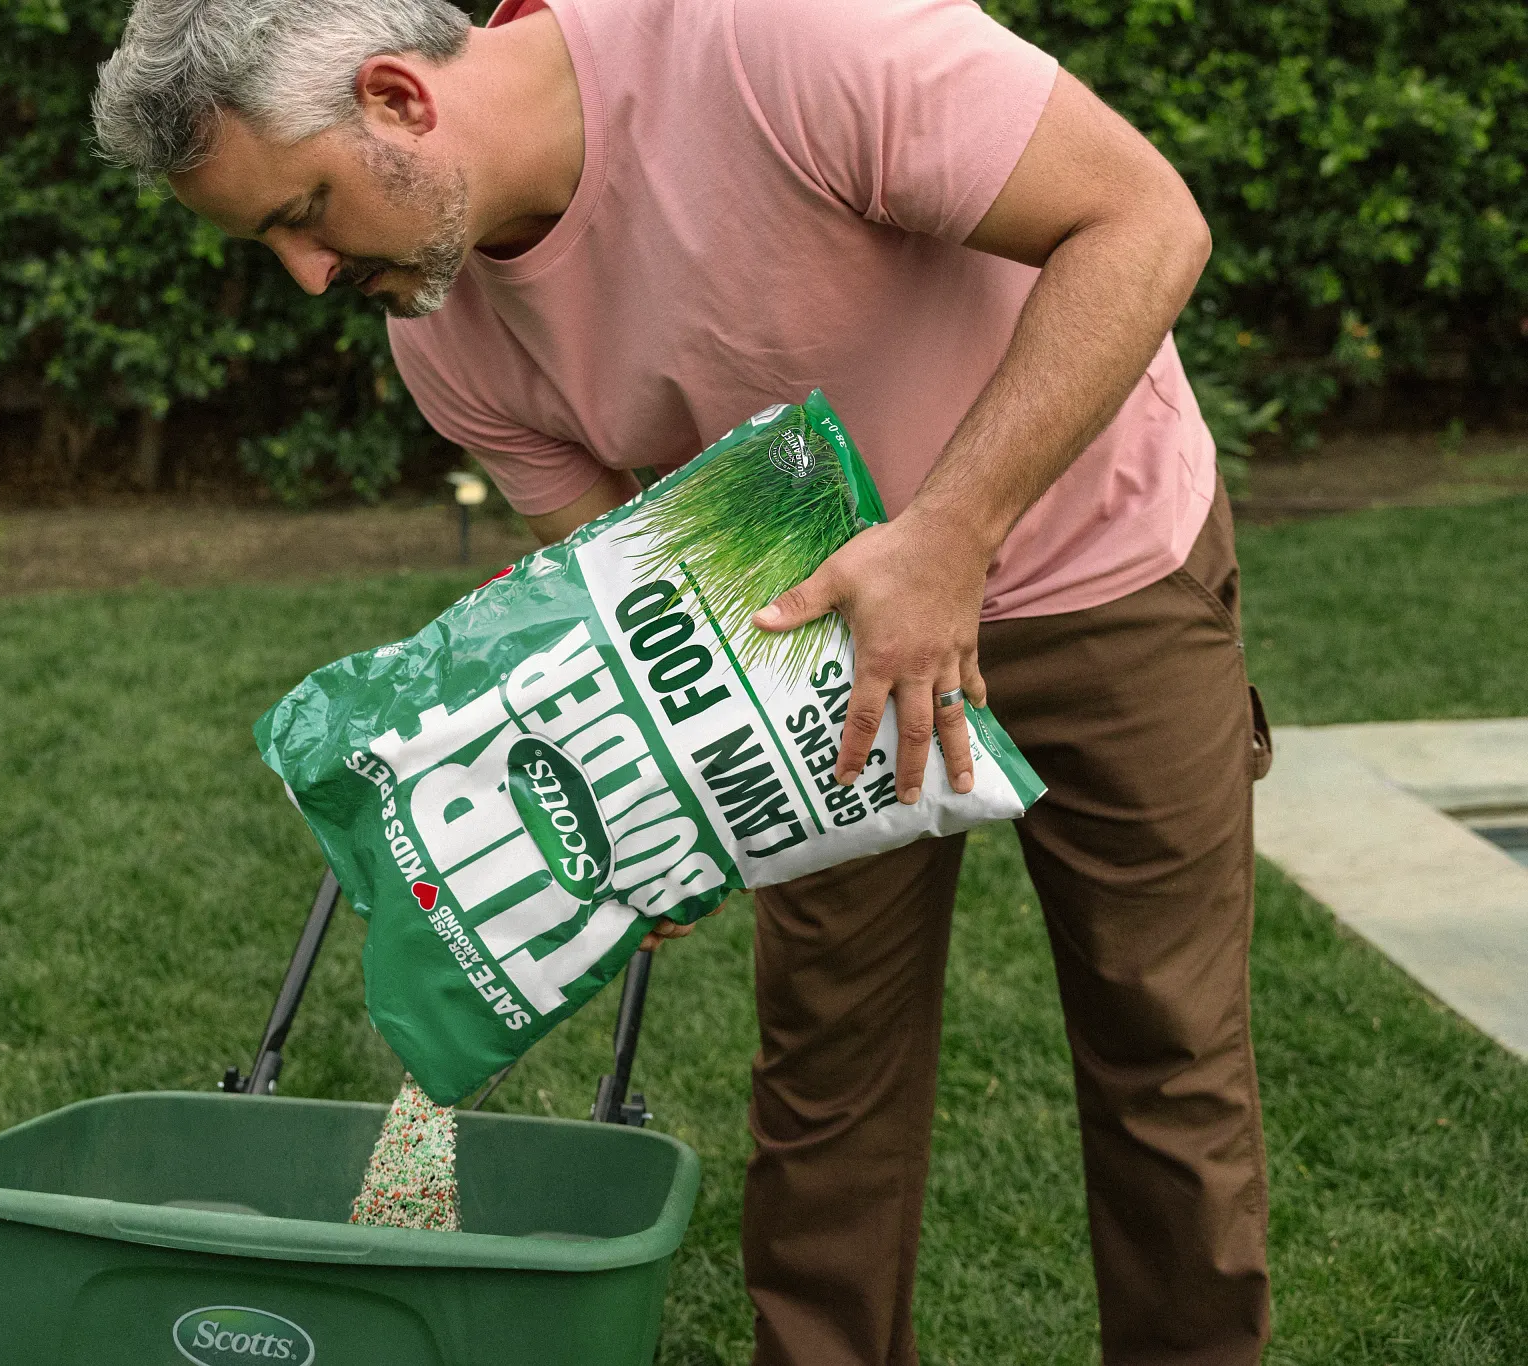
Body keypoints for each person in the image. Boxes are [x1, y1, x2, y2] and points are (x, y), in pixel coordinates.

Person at [93, 0, 1274, 1359]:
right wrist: (631, 809)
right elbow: (636, 593)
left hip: (1095, 562)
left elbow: (1145, 221)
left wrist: (949, 534)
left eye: (304, 211)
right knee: (830, 1072)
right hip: (813, 643)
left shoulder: (784, 40)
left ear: (399, 98)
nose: (308, 276)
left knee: (1163, 1044)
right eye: (269, 244)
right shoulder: (446, 339)